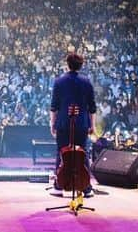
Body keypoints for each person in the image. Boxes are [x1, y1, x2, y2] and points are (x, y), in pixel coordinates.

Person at [50, 52, 96, 196]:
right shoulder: (87, 82)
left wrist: (53, 124)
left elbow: (54, 107)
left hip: (63, 122)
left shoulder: (59, 82)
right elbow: (92, 107)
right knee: (83, 154)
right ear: (81, 65)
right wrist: (92, 125)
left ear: (67, 64)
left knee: (61, 153)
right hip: (82, 123)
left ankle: (59, 186)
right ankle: (86, 187)